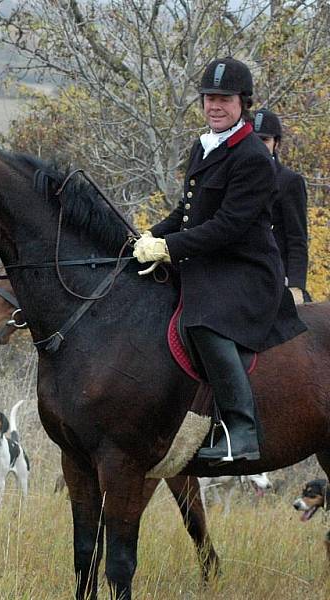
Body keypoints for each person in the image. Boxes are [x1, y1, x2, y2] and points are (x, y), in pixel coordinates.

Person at [133, 57, 306, 463]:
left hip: (245, 270)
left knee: (203, 319)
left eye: (224, 99)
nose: (215, 105)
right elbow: (187, 213)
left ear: (241, 102)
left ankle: (241, 429)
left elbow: (228, 226)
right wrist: (148, 236)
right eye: (209, 98)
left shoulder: (252, 156)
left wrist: (170, 248)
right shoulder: (204, 145)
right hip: (209, 260)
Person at [252, 107, 312, 304]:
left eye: (265, 140)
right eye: (254, 139)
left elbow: (297, 238)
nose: (259, 145)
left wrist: (296, 285)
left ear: (276, 143)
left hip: (277, 276)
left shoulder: (289, 181)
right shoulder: (237, 178)